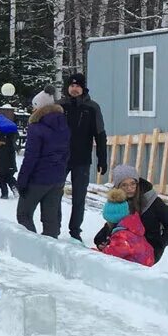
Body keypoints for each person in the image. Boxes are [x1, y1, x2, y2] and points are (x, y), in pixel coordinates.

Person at [58, 73, 107, 242]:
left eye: (77, 86)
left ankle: (75, 231)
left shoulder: (92, 108)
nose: (74, 88)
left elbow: (100, 134)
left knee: (79, 197)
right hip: (60, 158)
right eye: (71, 86)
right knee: (54, 194)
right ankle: (53, 227)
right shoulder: (59, 106)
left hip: (82, 159)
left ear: (83, 88)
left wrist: (102, 158)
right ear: (67, 88)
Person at [93, 165, 168, 262]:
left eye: (133, 183)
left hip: (149, 251)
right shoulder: (118, 200)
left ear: (137, 183)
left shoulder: (153, 201)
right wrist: (101, 239)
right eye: (124, 185)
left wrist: (160, 244)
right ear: (118, 187)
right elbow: (113, 223)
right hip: (124, 247)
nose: (129, 188)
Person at [16, 94, 70, 238]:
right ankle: (51, 250)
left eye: (34, 106)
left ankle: (32, 246)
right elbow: (66, 153)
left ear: (39, 108)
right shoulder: (64, 125)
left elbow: (30, 157)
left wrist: (22, 180)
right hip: (57, 179)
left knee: (24, 215)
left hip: (38, 179)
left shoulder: (36, 127)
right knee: (51, 220)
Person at [95, 188, 156, 267]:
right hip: (144, 267)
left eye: (108, 220)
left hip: (135, 273)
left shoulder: (122, 236)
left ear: (112, 220)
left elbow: (111, 255)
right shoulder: (132, 227)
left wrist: (97, 251)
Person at [0, 125, 18, 199]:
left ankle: (4, 194)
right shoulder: (11, 142)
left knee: (1, 179)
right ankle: (15, 187)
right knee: (9, 178)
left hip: (0, 165)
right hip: (10, 165)